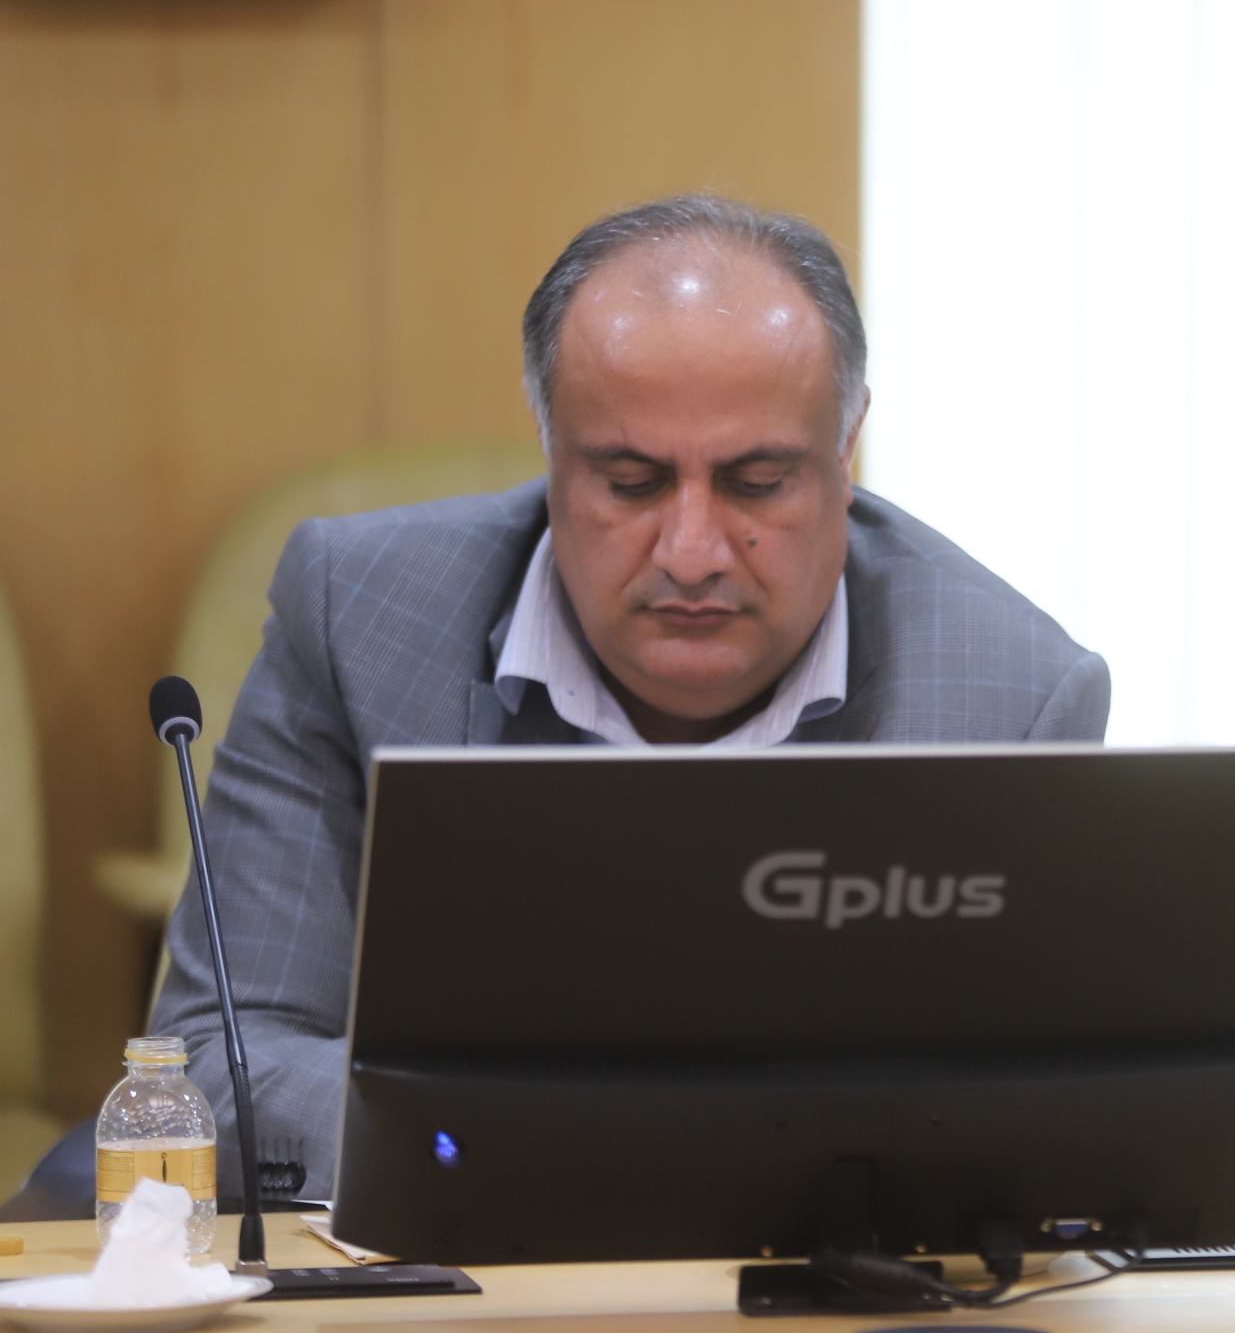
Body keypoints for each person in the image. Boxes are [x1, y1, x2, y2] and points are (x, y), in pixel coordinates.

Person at [149, 195, 1109, 1198]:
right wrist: (530, 1149)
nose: (691, 555)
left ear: (847, 446)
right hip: (465, 1245)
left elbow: (1025, 1113)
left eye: (757, 482)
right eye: (632, 481)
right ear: (549, 442)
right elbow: (214, 1061)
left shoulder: (1013, 697)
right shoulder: (362, 620)